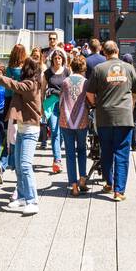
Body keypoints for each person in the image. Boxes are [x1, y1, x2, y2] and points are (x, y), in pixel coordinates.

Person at [0, 57, 41, 215]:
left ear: (27, 69)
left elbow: (11, 83)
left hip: (30, 130)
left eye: (23, 67)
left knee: (26, 165)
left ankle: (32, 200)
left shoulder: (30, 84)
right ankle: (21, 196)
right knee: (20, 166)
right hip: (22, 128)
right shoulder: (29, 83)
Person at [85, 40, 136, 201]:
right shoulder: (129, 68)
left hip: (104, 117)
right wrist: (129, 107)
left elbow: (89, 94)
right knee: (122, 153)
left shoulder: (98, 69)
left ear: (104, 52)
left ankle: (109, 183)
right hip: (124, 116)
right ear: (117, 50)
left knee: (106, 152)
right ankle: (119, 191)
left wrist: (96, 104)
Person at [58, 53, 90, 196]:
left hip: (66, 121)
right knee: (82, 150)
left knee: (70, 153)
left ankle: (74, 185)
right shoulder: (86, 82)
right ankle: (82, 178)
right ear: (83, 67)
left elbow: (61, 101)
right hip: (82, 121)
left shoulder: (65, 81)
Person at [42, 47, 68, 175]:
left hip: (64, 105)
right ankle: (57, 160)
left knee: (61, 132)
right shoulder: (47, 73)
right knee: (54, 131)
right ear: (52, 60)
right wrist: (41, 106)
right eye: (55, 58)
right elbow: (42, 90)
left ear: (63, 59)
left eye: (59, 58)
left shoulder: (67, 72)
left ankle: (56, 154)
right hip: (51, 104)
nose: (57, 60)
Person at [3, 42, 27, 174]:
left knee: (9, 133)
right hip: (20, 102)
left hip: (8, 100)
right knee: (20, 132)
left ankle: (8, 162)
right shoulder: (23, 69)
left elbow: (6, 85)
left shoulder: (9, 69)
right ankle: (16, 161)